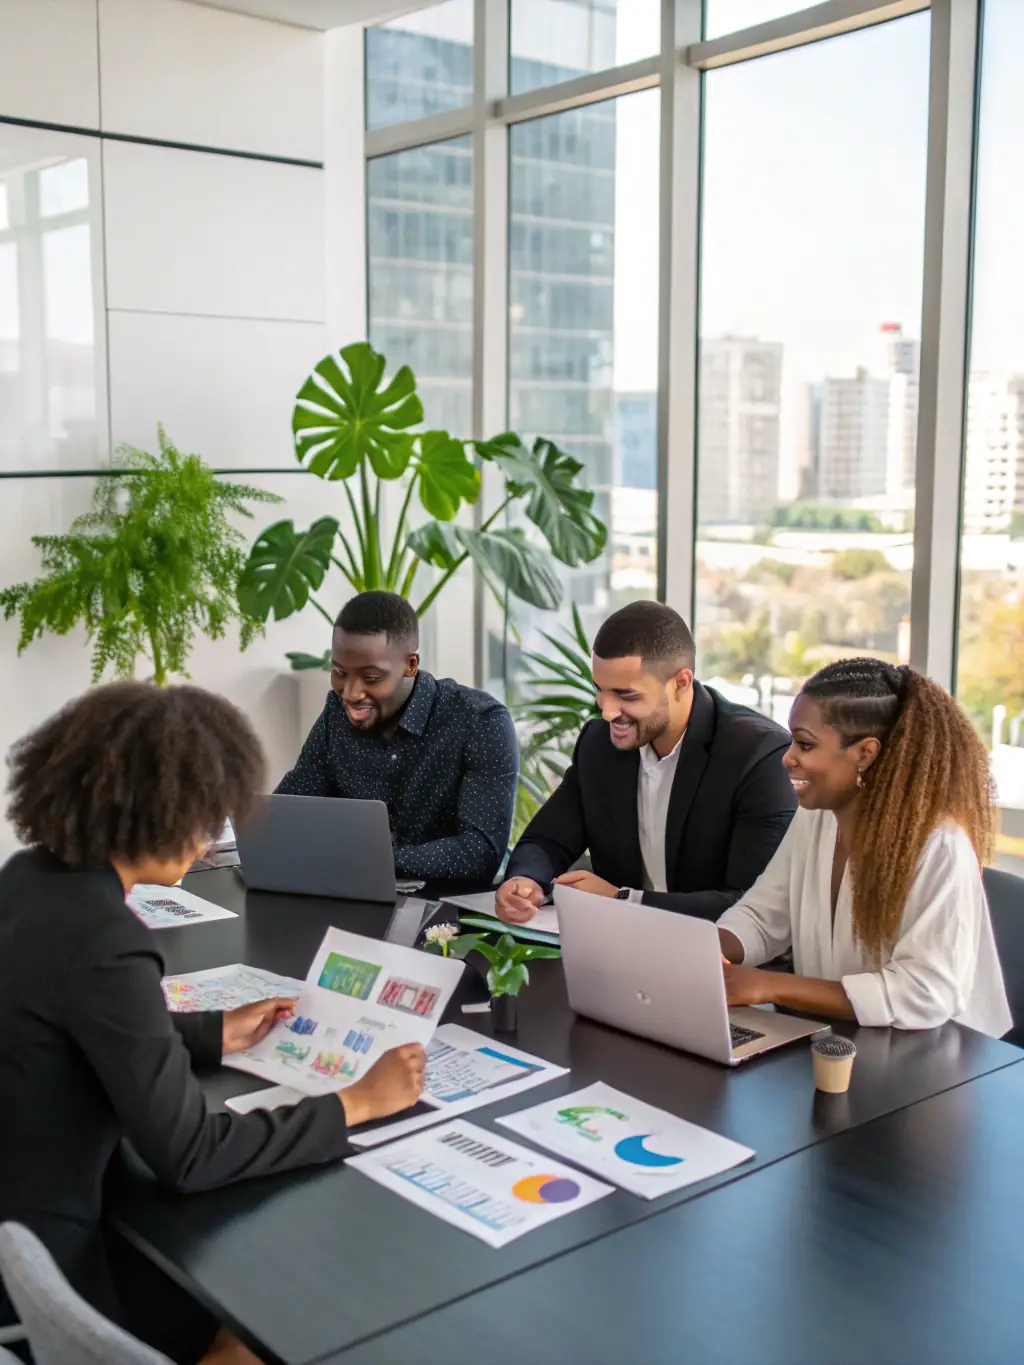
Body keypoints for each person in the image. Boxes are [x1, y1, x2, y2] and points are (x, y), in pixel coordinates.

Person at [0, 682, 427, 1365]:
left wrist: (210, 1032)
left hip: (19, 1213)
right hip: (62, 1263)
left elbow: (77, 1029)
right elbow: (190, 1155)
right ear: (161, 811)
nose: (208, 841)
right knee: (279, 1319)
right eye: (204, 816)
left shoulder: (29, 877)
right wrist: (355, 1101)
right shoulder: (107, 938)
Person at [717, 658, 1012, 1036]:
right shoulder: (817, 815)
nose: (788, 757)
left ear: (865, 753)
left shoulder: (938, 844)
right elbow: (763, 916)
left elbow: (925, 991)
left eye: (805, 744)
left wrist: (769, 985)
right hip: (842, 1041)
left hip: (938, 1060)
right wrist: (704, 949)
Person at [497, 600, 797, 924]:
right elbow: (546, 840)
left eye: (626, 695)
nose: (607, 711)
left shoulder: (759, 755)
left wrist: (622, 900)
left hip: (725, 961)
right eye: (600, 690)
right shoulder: (600, 745)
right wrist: (524, 882)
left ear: (680, 683)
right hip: (623, 950)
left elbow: (751, 904)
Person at [276, 591, 517, 885]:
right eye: (339, 673)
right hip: (353, 896)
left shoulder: (480, 720)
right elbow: (290, 809)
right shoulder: (336, 713)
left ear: (410, 665)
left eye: (371, 678)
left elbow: (479, 853)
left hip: (450, 911)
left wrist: (369, 860)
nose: (351, 693)